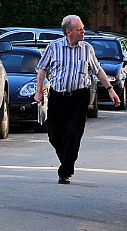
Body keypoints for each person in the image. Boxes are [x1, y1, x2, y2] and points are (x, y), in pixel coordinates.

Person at [34, 15, 120, 184]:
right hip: (58, 96)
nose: (83, 31)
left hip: (79, 97)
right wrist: (39, 91)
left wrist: (111, 90)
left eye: (82, 28)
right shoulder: (53, 47)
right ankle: (67, 161)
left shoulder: (87, 49)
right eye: (79, 29)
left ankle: (65, 171)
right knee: (54, 135)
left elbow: (98, 70)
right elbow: (42, 69)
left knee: (73, 134)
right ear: (68, 31)